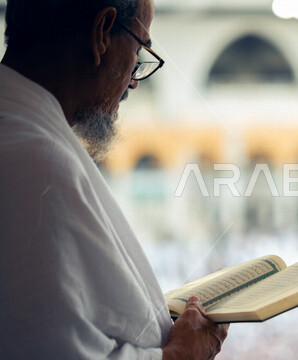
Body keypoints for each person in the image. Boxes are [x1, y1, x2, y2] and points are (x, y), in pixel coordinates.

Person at [0, 0, 228, 359]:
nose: (133, 81)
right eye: (138, 51)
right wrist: (185, 353)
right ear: (102, 33)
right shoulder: (34, 160)